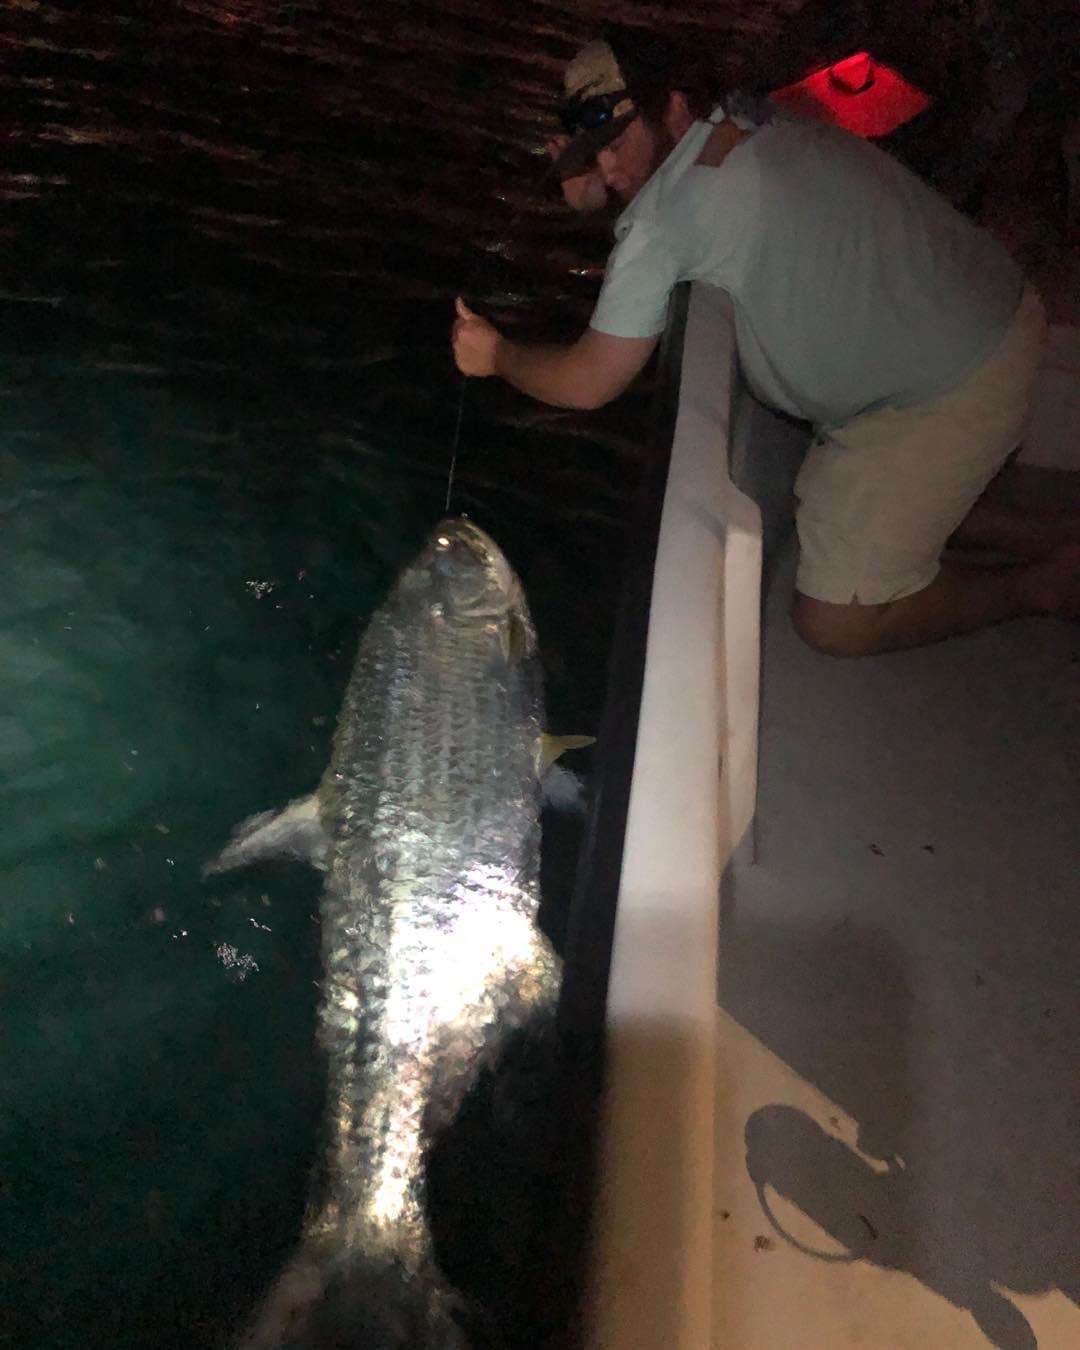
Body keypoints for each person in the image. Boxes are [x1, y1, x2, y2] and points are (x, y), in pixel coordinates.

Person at [452, 26, 1080, 657]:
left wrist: (498, 356)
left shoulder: (668, 221)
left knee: (833, 622)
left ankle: (1041, 587)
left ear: (672, 106)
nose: (609, 167)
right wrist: (596, 189)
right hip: (985, 310)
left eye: (617, 141)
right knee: (824, 502)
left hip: (955, 381)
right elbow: (672, 200)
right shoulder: (745, 116)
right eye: (595, 150)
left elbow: (590, 382)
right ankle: (1060, 536)